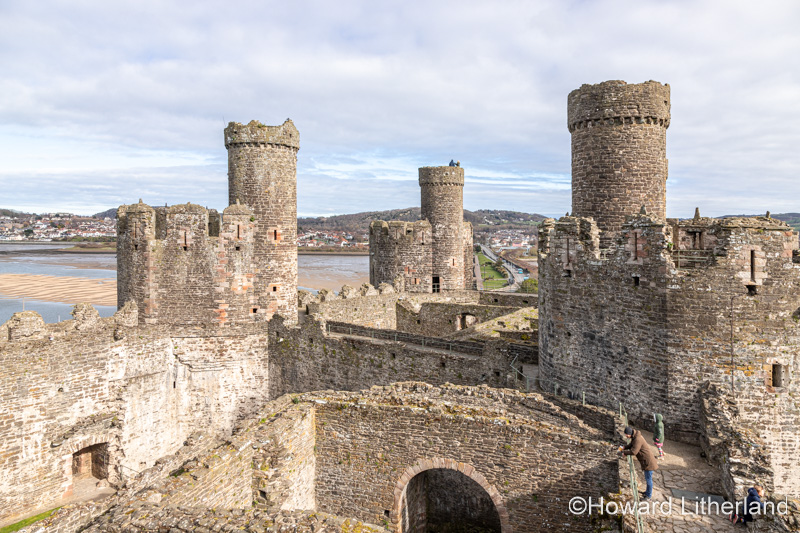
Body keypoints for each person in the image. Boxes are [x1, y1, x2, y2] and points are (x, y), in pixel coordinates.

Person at [621, 426, 658, 500]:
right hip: (646, 461)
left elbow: (634, 452)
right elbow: (632, 445)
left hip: (648, 462)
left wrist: (624, 452)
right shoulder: (635, 437)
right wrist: (625, 447)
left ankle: (648, 496)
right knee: (648, 478)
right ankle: (647, 492)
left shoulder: (637, 439)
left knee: (648, 479)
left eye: (626, 434)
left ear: (629, 433)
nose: (626, 436)